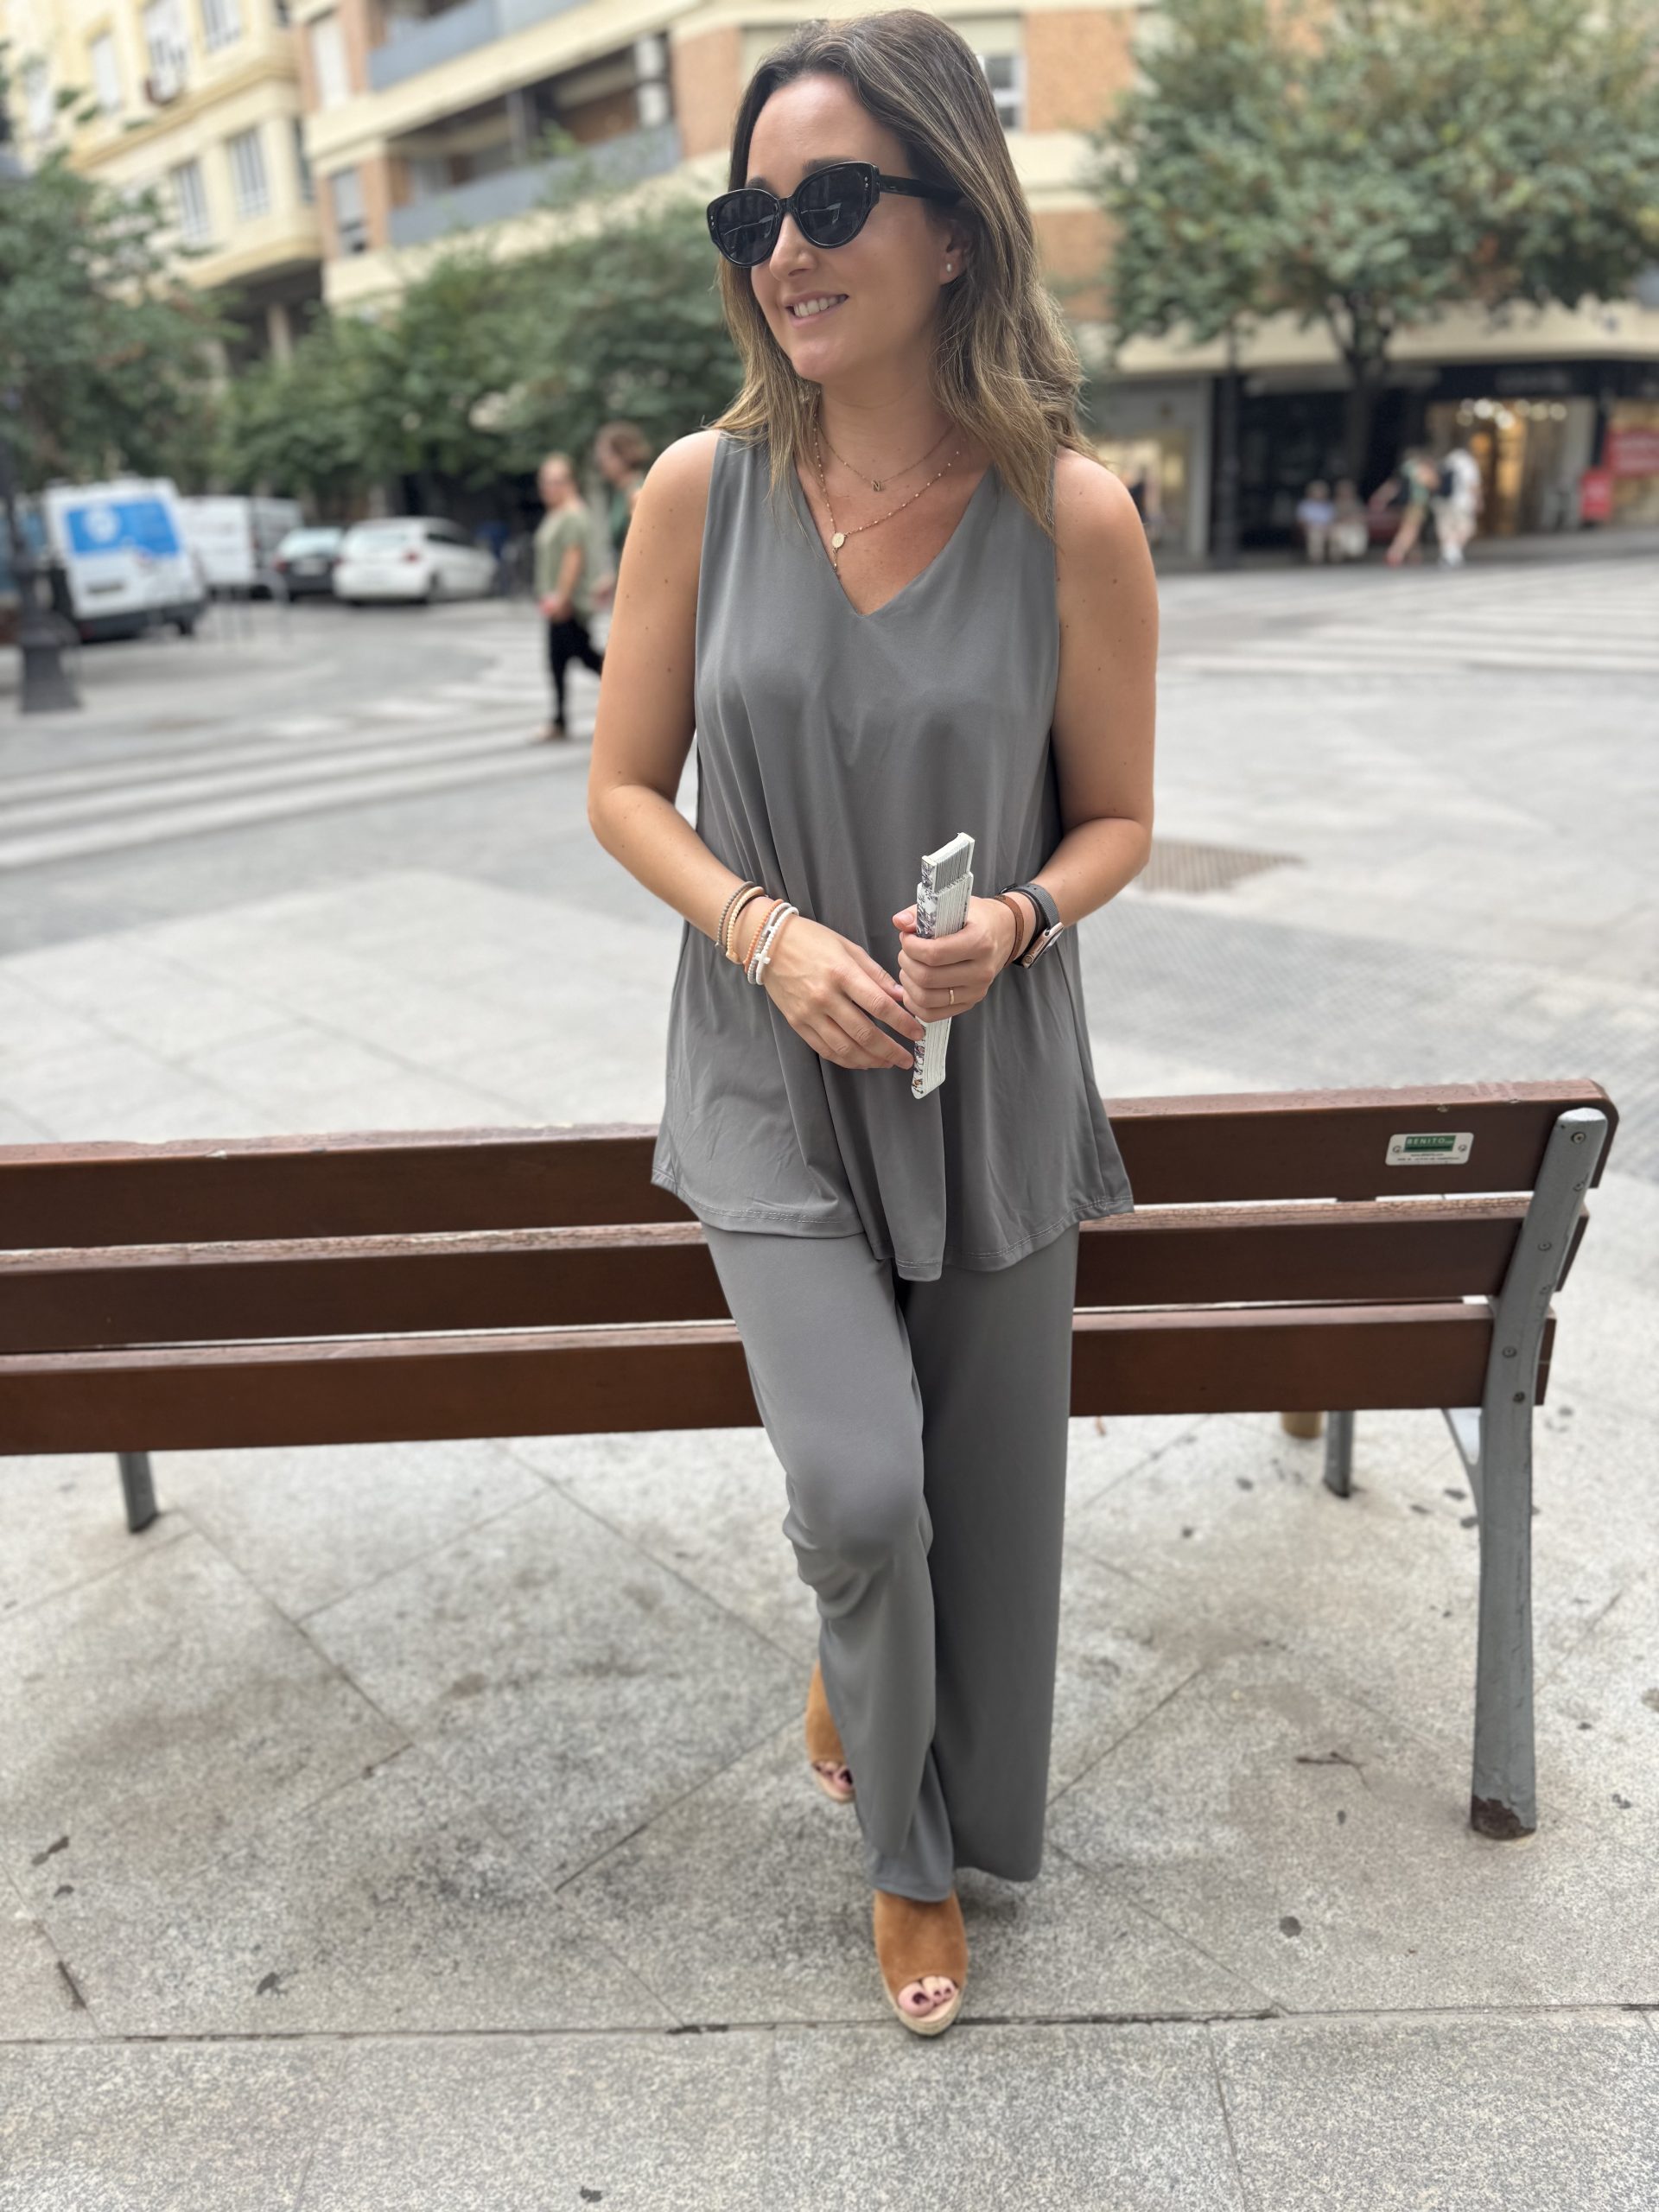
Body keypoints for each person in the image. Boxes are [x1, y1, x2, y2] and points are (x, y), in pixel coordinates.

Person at [586, 12, 1155, 2037]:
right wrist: (761, 933)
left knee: (967, 1509)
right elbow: (621, 789)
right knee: (858, 1491)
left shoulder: (1071, 514)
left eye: (832, 200)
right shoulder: (697, 491)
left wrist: (1018, 915)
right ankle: (907, 1862)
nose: (787, 249)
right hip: (767, 1071)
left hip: (985, 1072)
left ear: (953, 223)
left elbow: (1118, 820)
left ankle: (880, 1686)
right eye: (753, 215)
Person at [532, 453, 605, 743]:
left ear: (569, 482)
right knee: (562, 661)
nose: (549, 488)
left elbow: (573, 559)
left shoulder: (572, 515)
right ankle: (559, 720)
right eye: (545, 481)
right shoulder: (558, 513)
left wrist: (561, 599)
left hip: (568, 605)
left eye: (556, 481)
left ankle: (633, 692)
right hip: (557, 603)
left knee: (584, 658)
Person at [590, 421, 653, 610]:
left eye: (606, 455)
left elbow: (641, 551)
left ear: (623, 455)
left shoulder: (636, 493)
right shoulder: (621, 493)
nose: (601, 461)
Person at [1433, 443, 1483, 568]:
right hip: (1462, 502)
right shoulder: (1468, 463)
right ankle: (1452, 552)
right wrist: (1478, 500)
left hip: (1442, 501)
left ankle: (1449, 554)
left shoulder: (1446, 462)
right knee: (1466, 528)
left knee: (1446, 529)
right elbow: (1473, 484)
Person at [1383, 450, 1436, 567]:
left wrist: (1381, 498)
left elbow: (1393, 485)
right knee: (1410, 530)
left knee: (1412, 529)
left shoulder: (1405, 469)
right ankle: (1395, 552)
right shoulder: (1420, 469)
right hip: (1417, 503)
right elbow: (1431, 483)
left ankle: (1414, 555)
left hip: (1404, 504)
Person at [1294, 479, 1334, 562]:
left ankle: (1335, 559)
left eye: (1321, 492)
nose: (1319, 494)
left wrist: (1328, 528)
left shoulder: (1328, 505)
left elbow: (1333, 519)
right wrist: (1310, 527)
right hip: (1312, 529)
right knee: (1316, 536)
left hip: (1327, 528)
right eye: (1316, 492)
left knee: (1337, 535)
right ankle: (1316, 560)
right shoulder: (1305, 505)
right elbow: (1301, 521)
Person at [1331, 477, 1368, 562]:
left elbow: (1362, 516)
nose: (1345, 492)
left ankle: (1354, 555)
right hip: (1340, 526)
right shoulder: (1335, 503)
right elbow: (1332, 517)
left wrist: (1354, 519)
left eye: (1347, 490)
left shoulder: (1357, 502)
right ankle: (1338, 558)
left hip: (1354, 525)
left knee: (1359, 531)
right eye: (1343, 490)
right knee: (1337, 533)